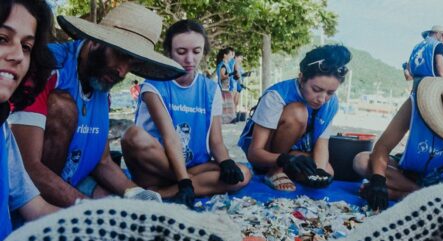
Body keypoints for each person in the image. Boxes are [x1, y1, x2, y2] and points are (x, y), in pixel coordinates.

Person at [9, 2, 182, 207]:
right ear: (95, 41)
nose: (123, 71)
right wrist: (88, 209)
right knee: (63, 107)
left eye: (131, 63)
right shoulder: (48, 68)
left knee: (126, 211)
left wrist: (135, 193)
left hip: (76, 180)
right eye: (120, 55)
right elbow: (28, 167)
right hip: (31, 194)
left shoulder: (101, 86)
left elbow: (103, 162)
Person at [121, 20, 251, 209]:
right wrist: (184, 182)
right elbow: (171, 138)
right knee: (132, 136)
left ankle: (157, 193)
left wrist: (226, 162)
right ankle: (184, 185)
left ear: (204, 52)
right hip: (157, 168)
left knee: (243, 173)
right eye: (181, 52)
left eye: (196, 52)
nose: (189, 59)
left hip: (194, 168)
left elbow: (216, 141)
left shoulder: (210, 89)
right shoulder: (153, 86)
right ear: (169, 52)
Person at [354, 74, 443, 210]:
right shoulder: (415, 103)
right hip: (407, 175)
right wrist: (378, 179)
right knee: (362, 161)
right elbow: (383, 146)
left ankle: (402, 194)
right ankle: (420, 194)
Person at [238, 44, 352, 192]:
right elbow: (254, 153)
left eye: (330, 92)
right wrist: (282, 160)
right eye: (316, 90)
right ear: (302, 77)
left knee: (327, 171)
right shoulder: (276, 96)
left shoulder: (331, 103)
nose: (322, 99)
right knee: (298, 112)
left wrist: (317, 172)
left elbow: (322, 144)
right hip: (266, 156)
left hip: (292, 155)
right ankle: (275, 171)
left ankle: (288, 170)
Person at [0, 0, 61, 241]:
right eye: (3, 38)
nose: (17, 56)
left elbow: (34, 206)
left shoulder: (3, 132)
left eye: (26, 46)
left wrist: (105, 223)